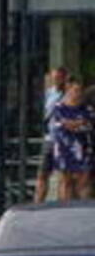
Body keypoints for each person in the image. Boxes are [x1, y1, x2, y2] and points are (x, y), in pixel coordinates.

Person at [47, 78, 93, 201]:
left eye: (79, 91)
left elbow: (88, 125)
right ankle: (64, 207)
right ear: (68, 90)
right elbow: (62, 125)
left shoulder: (86, 108)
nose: (77, 94)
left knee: (83, 178)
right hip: (64, 146)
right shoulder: (59, 107)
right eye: (75, 90)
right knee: (65, 179)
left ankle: (84, 207)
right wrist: (78, 123)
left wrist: (74, 124)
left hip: (83, 147)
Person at [37, 67, 69, 203]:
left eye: (59, 77)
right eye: (54, 77)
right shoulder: (47, 94)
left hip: (64, 140)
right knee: (42, 173)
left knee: (64, 175)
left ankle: (62, 204)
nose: (56, 80)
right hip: (50, 138)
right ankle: (37, 202)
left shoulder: (69, 94)